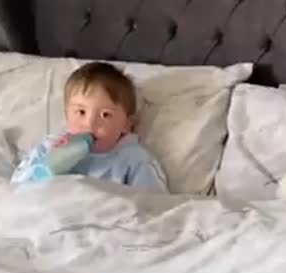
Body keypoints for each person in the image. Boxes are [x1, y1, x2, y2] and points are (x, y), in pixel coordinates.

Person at [10, 61, 168, 193]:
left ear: (126, 125)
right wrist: (47, 167)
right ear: (67, 115)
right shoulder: (48, 148)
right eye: (81, 112)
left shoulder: (134, 160)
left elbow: (154, 206)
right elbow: (15, 190)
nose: (90, 124)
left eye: (105, 115)